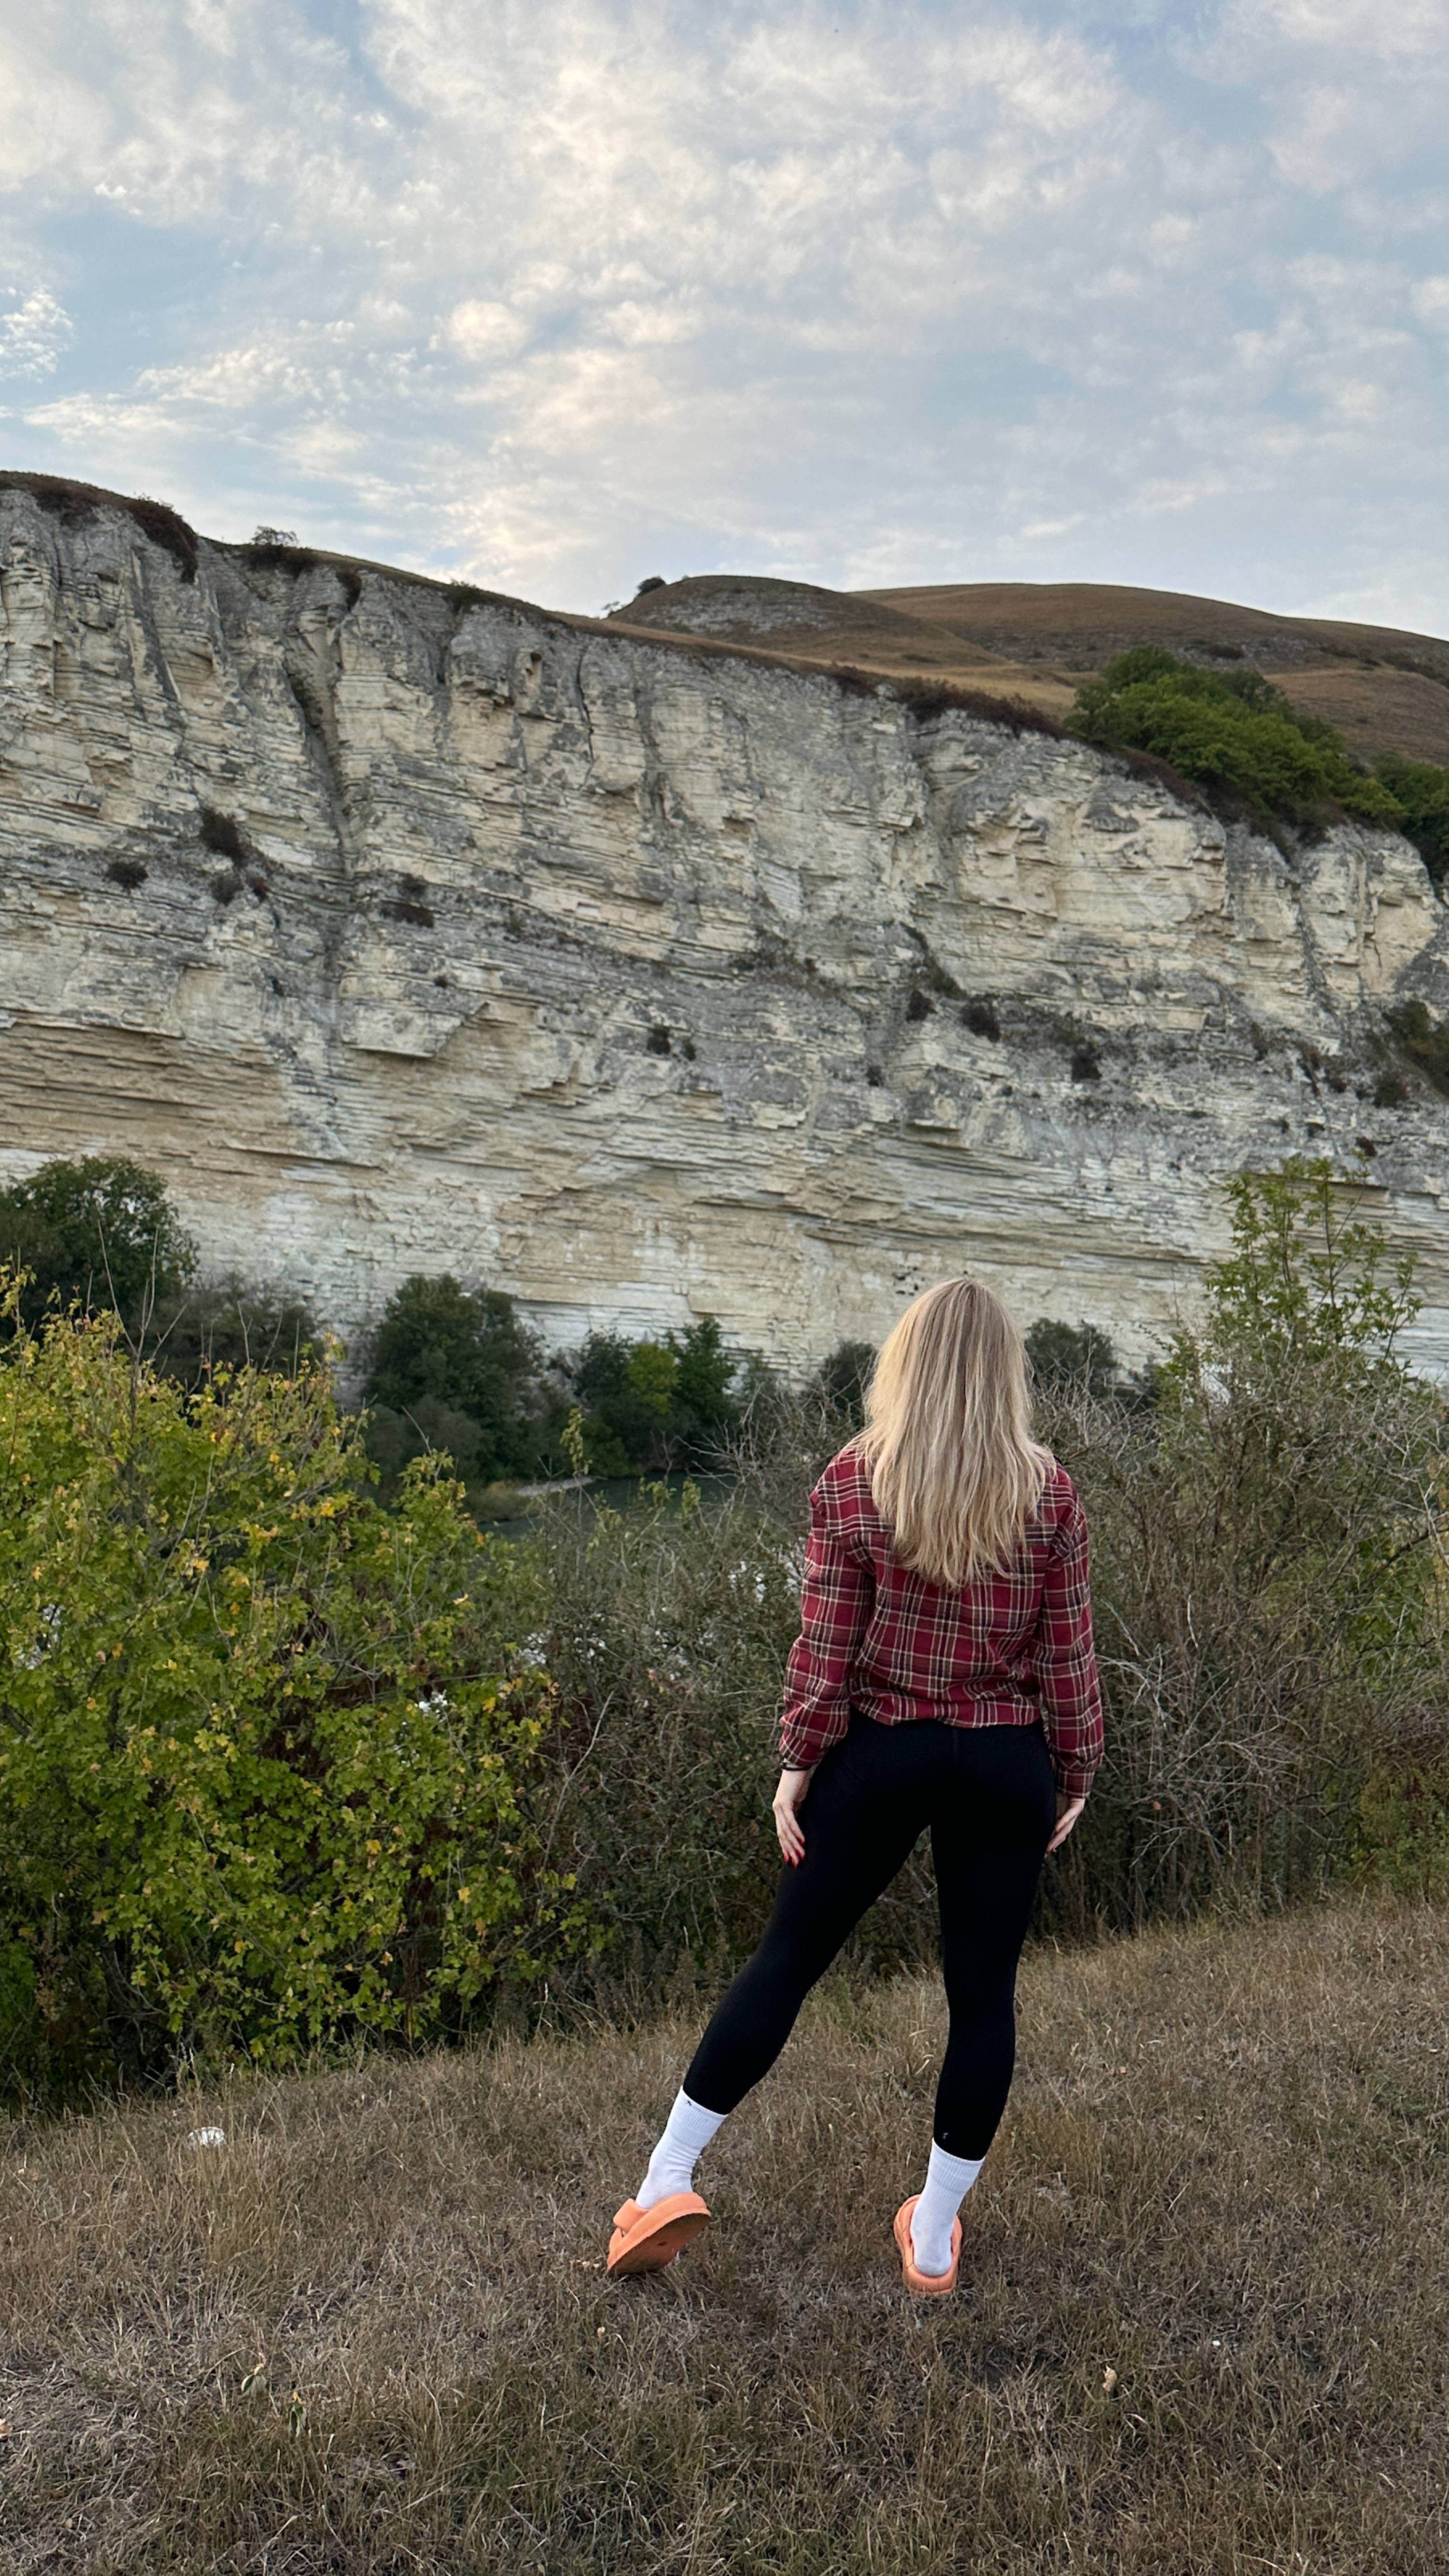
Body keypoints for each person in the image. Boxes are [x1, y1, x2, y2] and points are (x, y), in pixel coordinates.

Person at [606, 1277, 1103, 2295]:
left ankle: (664, 2182)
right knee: (981, 2000)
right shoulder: (1049, 1492)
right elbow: (1069, 1657)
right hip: (1003, 1757)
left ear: (904, 1361)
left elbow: (824, 1647)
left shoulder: (852, 1478)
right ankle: (930, 2243)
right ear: (1006, 1373)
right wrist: (1076, 1769)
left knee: (786, 1961)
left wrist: (798, 1761)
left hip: (880, 1750)